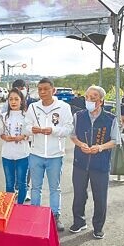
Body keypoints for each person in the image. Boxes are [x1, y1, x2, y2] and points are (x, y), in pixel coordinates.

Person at [24, 78, 73, 232]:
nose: (42, 92)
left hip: (55, 155)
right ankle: (34, 214)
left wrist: (53, 130)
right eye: (40, 89)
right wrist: (33, 129)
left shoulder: (63, 107)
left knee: (55, 187)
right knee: (35, 187)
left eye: (46, 89)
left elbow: (68, 128)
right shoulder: (33, 107)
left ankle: (55, 215)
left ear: (53, 90)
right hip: (36, 153)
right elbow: (25, 127)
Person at [69, 85, 116, 239]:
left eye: (93, 97)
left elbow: (115, 140)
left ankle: (98, 227)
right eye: (87, 97)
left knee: (100, 197)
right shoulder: (79, 116)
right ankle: (79, 221)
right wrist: (80, 144)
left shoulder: (110, 118)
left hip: (100, 164)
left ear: (100, 101)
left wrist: (100, 147)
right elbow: (73, 135)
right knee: (79, 195)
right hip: (80, 162)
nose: (89, 100)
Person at [0, 88, 30, 204]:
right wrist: (4, 137)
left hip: (23, 154)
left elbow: (31, 134)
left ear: (21, 101)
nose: (13, 102)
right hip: (7, 154)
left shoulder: (27, 116)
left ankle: (20, 206)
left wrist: (23, 137)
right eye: (11, 99)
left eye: (16, 99)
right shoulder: (3, 117)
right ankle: (9, 206)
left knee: (22, 182)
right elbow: (0, 132)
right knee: (9, 183)